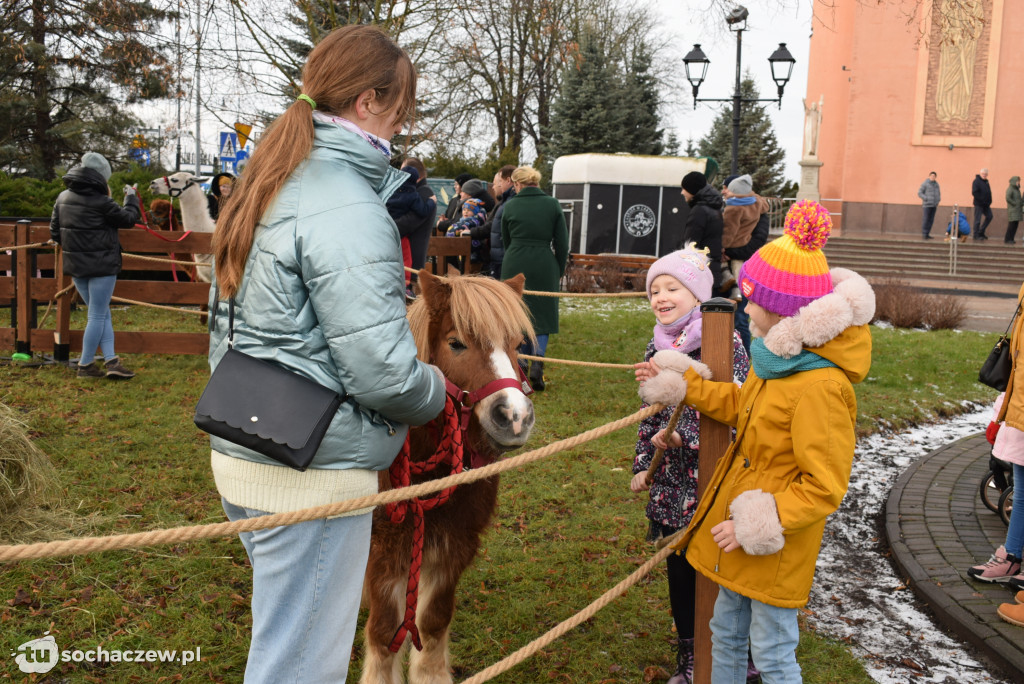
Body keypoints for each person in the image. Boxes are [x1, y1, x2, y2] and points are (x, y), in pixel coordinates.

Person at [207, 25, 446, 683]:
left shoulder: (271, 181)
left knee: (284, 644)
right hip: (310, 469)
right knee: (299, 665)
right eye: (402, 109)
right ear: (371, 101)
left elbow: (224, 329)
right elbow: (382, 371)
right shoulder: (345, 203)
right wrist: (437, 389)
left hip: (250, 448)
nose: (403, 124)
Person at [637, 200, 874, 683]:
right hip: (738, 531)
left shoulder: (820, 386)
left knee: (771, 652)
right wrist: (687, 386)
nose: (745, 306)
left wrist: (757, 522)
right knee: (724, 633)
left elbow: (825, 485)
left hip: (769, 543)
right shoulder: (778, 362)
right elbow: (743, 407)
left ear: (782, 309)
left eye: (753, 299)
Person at [630, 244, 750, 684]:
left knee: (723, 569)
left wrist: (687, 437)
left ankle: (738, 653)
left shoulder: (725, 341)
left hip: (715, 481)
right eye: (653, 291)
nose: (661, 297)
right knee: (679, 572)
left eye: (672, 288)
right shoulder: (655, 345)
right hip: (671, 485)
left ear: (697, 293)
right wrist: (644, 463)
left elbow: (740, 410)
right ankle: (690, 655)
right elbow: (648, 415)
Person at [49, 151, 141, 379]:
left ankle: (111, 361)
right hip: (102, 267)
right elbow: (128, 219)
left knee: (99, 313)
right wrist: (131, 197)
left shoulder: (62, 197)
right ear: (100, 177)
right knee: (97, 316)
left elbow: (55, 233)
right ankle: (85, 364)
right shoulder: (102, 201)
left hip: (76, 266)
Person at [501, 166, 569, 391]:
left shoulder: (510, 205)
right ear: (536, 183)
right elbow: (562, 243)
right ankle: (537, 364)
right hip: (544, 263)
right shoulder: (552, 204)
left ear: (517, 184)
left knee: (515, 313)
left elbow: (506, 240)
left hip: (514, 262)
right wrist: (557, 269)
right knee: (542, 314)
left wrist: (513, 257)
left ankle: (519, 364)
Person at [386, 164, 435, 294]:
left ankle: (406, 285)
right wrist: (431, 202)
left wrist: (386, 226)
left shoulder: (422, 192)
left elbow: (408, 223)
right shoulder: (413, 193)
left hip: (411, 255)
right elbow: (421, 210)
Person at [721, 174, 770, 300]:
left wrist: (725, 249)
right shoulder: (756, 204)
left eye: (727, 188)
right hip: (742, 248)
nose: (724, 191)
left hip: (738, 251)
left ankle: (734, 287)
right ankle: (736, 289)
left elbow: (730, 230)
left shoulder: (734, 207)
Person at [680, 171, 725, 293]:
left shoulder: (699, 210)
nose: (682, 192)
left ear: (693, 190)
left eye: (684, 188)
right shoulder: (714, 208)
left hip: (700, 271)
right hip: (712, 269)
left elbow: (691, 244)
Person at [486, 165, 517, 278]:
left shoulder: (510, 203)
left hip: (502, 257)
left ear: (508, 180)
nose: (497, 185)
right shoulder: (505, 201)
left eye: (500, 181)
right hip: (499, 255)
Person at [446, 197, 488, 266]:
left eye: (469, 210)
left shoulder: (474, 221)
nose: (465, 212)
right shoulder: (462, 221)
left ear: (475, 212)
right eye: (464, 209)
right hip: (461, 250)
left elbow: (456, 229)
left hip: (473, 252)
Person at [917, 171, 941, 240]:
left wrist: (938, 200)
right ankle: (924, 233)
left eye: (934, 176)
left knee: (931, 220)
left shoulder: (936, 185)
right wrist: (926, 198)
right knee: (926, 219)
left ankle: (928, 233)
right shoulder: (925, 184)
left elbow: (938, 193)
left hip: (934, 205)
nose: (933, 177)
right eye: (931, 176)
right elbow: (919, 192)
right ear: (929, 176)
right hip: (927, 205)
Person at [972, 167, 993, 240]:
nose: (984, 175)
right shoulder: (976, 181)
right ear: (980, 174)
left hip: (986, 204)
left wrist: (990, 201)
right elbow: (974, 192)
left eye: (985, 174)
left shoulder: (986, 181)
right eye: (983, 174)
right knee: (977, 220)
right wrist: (981, 200)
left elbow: (989, 192)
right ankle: (975, 235)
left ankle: (981, 232)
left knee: (990, 216)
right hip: (979, 204)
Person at [1005, 176, 1021, 245]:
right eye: (1018, 181)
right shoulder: (1010, 189)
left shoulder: (1017, 189)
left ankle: (1011, 238)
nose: (1018, 182)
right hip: (1013, 210)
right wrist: (1014, 204)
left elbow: (1018, 199)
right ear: (1014, 181)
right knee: (1011, 225)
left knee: (1015, 225)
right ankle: (1007, 239)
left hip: (1017, 210)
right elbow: (1008, 198)